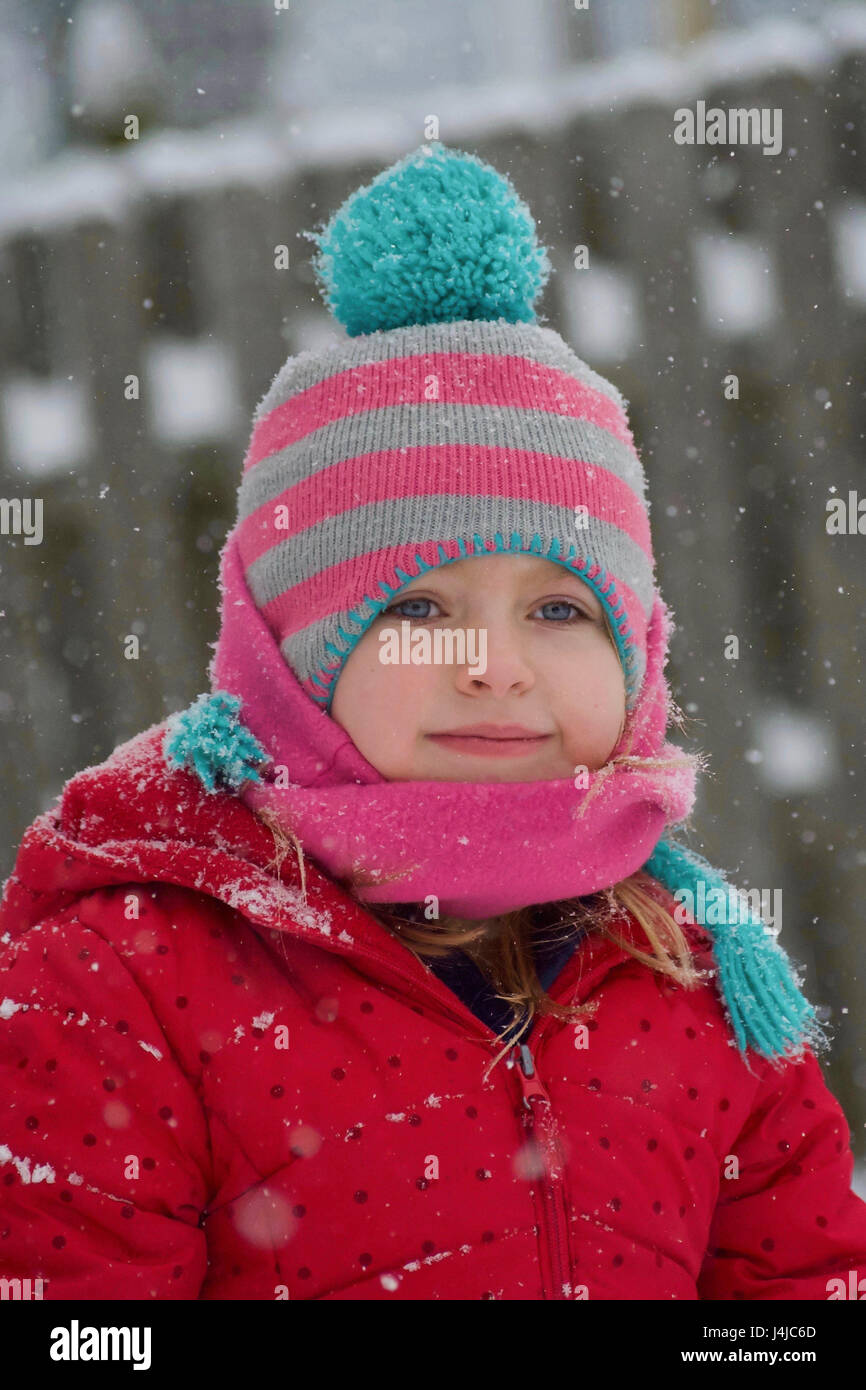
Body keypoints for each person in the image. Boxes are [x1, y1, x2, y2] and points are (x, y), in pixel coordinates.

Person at [2, 142, 865, 1302]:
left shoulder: (703, 977)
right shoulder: (122, 981)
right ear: (287, 657)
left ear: (639, 650)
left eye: (560, 608)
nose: (494, 668)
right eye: (417, 605)